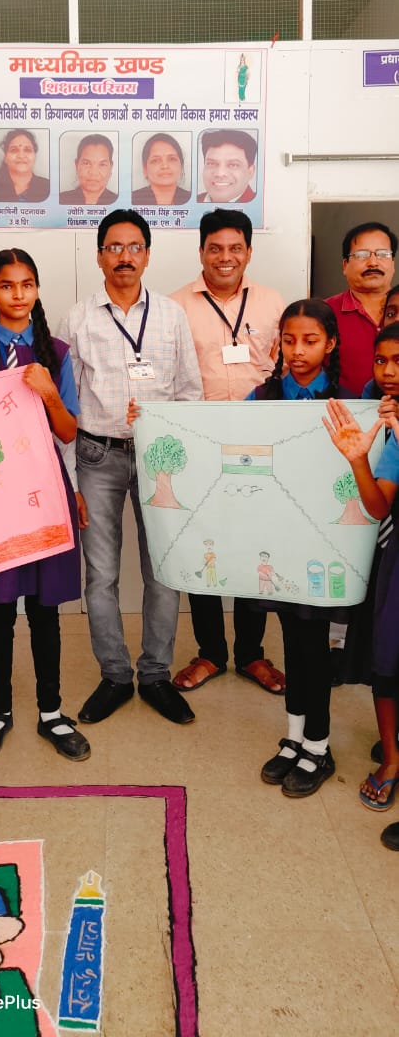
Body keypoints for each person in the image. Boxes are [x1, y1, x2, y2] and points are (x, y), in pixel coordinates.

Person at [58, 209, 203, 726]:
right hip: (96, 456)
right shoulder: (77, 319)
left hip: (158, 456)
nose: (125, 256)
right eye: (114, 247)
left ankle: (156, 674)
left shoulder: (170, 315)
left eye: (134, 246)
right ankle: (116, 675)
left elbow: (189, 392)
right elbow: (66, 404)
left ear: (147, 255)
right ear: (99, 256)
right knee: (101, 574)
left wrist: (181, 458)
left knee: (162, 570)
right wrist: (70, 478)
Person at [0, 248, 90, 763]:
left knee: (45, 609)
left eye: (27, 284)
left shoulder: (57, 351)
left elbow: (69, 431)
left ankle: (51, 710)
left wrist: (48, 392)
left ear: (37, 289)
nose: (18, 294)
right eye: (7, 285)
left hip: (44, 491)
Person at [171, 208, 285, 695]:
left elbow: (284, 370)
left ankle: (252, 653)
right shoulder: (175, 307)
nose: (225, 257)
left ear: (249, 252)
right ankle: (211, 652)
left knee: (256, 545)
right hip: (201, 445)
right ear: (201, 251)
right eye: (215, 248)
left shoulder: (273, 303)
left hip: (261, 444)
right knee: (206, 545)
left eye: (235, 248)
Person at [252, 299, 349, 797]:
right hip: (278, 536)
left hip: (323, 541)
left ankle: (319, 744)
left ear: (330, 343)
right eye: (289, 340)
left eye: (310, 341)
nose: (298, 351)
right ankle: (293, 739)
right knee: (291, 636)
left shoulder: (349, 402)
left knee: (314, 642)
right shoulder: (262, 397)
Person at [323, 333, 399, 812]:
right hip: (394, 560)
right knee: (386, 657)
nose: (388, 371)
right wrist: (356, 459)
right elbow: (377, 506)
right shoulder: (384, 422)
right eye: (380, 360)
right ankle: (391, 759)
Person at [326, 221, 397, 397]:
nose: (373, 262)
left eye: (382, 254)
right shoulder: (324, 313)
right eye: (362, 255)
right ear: (345, 265)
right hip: (344, 411)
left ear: (393, 263)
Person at [197, 130, 257, 205]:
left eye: (233, 165)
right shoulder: (196, 200)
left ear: (250, 172)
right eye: (211, 163)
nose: (220, 174)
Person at [0, 130, 50, 203]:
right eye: (14, 150)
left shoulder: (48, 187)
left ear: (35, 156)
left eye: (27, 150)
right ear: (5, 157)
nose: (21, 156)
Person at [132, 134, 190, 207]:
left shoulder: (191, 198)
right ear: (145, 169)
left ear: (181, 166)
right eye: (155, 160)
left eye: (172, 159)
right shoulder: (132, 199)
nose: (165, 166)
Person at [59, 134, 117, 206]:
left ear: (111, 167)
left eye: (102, 164)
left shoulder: (120, 203)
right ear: (76, 165)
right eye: (86, 163)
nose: (93, 173)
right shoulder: (60, 200)